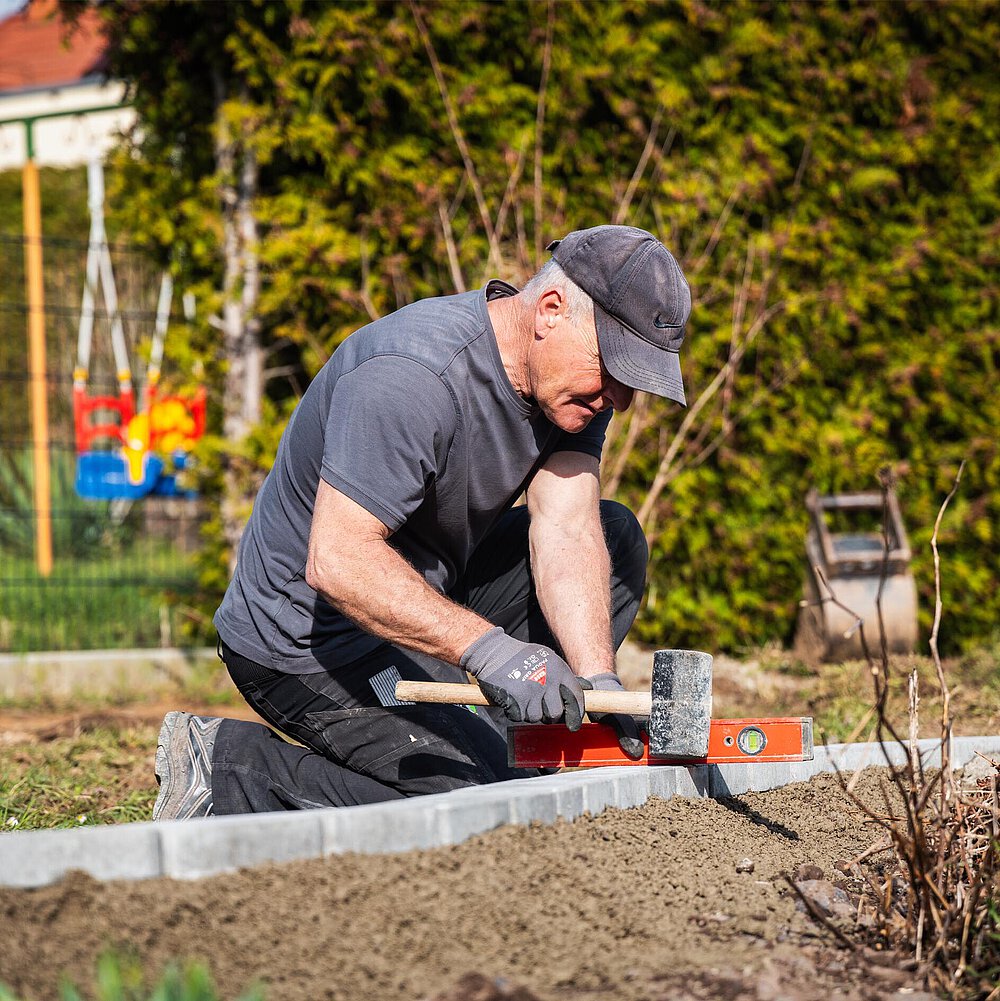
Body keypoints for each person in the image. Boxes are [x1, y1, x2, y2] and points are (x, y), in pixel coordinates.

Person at [152, 224, 691, 819]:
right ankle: (229, 769)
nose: (618, 398)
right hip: (308, 639)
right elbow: (338, 561)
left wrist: (599, 681)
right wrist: (489, 652)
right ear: (551, 310)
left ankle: (510, 741)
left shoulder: (568, 388)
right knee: (470, 806)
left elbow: (566, 527)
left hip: (422, 597)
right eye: (613, 367)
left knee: (615, 536)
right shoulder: (412, 375)